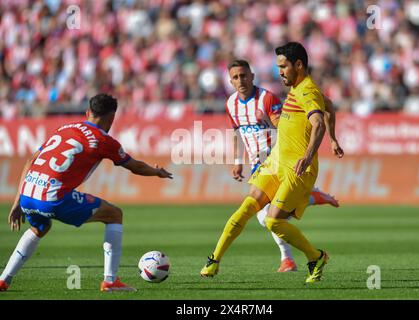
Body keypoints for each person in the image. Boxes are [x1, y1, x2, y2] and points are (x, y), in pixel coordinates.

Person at [0, 93, 173, 292]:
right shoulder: (103, 140)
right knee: (114, 214)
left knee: (40, 228)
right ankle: (110, 281)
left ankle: (4, 279)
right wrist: (157, 172)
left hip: (28, 195)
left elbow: (31, 161)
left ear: (88, 112)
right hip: (53, 196)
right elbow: (135, 166)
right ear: (111, 118)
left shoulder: (64, 128)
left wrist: (17, 201)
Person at [201, 42, 335, 283]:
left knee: (272, 220)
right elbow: (330, 106)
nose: (279, 72)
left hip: (296, 169)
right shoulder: (297, 89)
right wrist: (334, 140)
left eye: (283, 67)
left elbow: (318, 123)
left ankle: (315, 256)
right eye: (278, 67)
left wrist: (307, 155)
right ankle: (214, 260)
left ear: (299, 65)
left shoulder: (306, 91)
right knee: (246, 209)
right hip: (274, 164)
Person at [225, 59, 343, 273]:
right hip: (255, 164)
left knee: (268, 216)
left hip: (276, 160)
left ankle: (287, 259)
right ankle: (310, 199)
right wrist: (237, 161)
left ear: (252, 75)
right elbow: (237, 133)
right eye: (235, 77)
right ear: (230, 80)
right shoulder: (231, 104)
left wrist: (270, 127)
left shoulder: (266, 98)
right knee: (267, 218)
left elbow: (284, 125)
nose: (240, 80)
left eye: (244, 75)